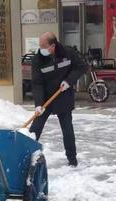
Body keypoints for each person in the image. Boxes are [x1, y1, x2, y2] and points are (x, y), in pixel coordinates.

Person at [30, 32, 88, 166]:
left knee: (67, 129)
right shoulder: (38, 59)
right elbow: (37, 83)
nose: (41, 49)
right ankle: (26, 156)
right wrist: (38, 103)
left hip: (62, 96)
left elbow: (82, 66)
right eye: (40, 46)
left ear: (52, 46)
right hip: (45, 99)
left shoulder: (68, 53)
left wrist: (69, 81)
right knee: (35, 128)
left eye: (43, 46)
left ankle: (72, 160)